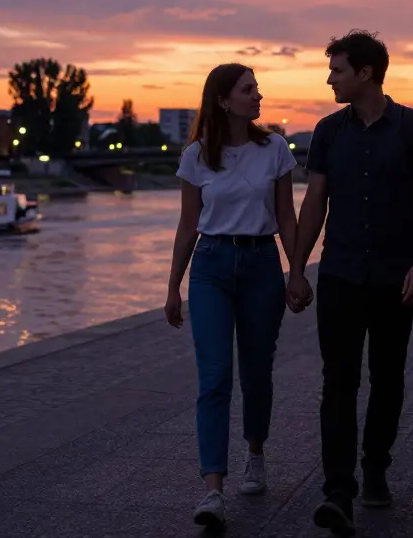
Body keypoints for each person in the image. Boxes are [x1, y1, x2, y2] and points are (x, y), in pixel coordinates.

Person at [287, 30, 413, 535]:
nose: (329, 78)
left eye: (337, 70)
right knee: (338, 384)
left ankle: (375, 465)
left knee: (388, 378)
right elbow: (314, 204)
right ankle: (339, 491)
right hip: (339, 275)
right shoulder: (329, 132)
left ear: (366, 73)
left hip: (396, 277)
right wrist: (296, 268)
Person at [165, 63, 299, 530]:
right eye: (248, 89)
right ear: (223, 100)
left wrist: (297, 270)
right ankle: (212, 491)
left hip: (262, 265)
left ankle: (255, 454)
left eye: (257, 88)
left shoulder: (275, 148)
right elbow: (187, 225)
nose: (257, 96)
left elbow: (286, 215)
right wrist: (173, 286)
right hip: (211, 269)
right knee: (215, 376)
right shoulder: (197, 155)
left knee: (256, 372)